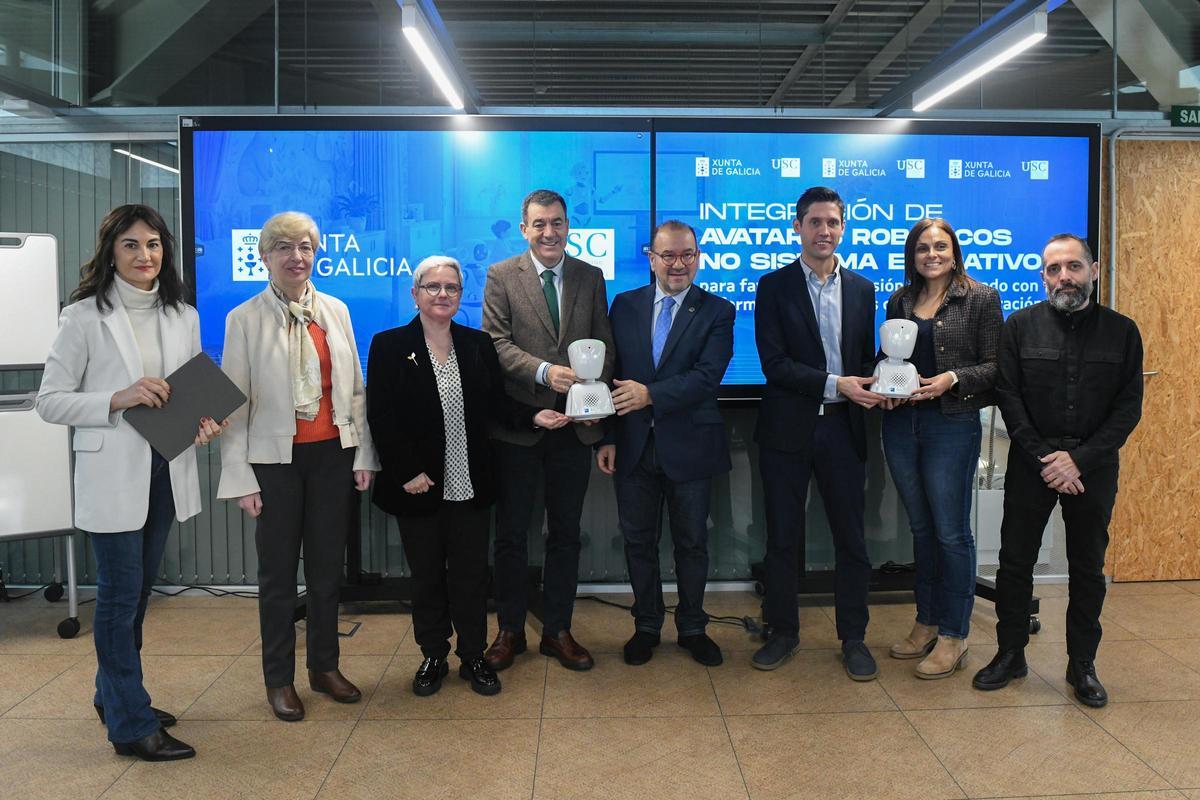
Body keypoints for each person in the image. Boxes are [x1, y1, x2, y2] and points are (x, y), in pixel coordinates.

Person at [36, 204, 224, 761]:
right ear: (110, 254)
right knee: (119, 600)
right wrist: (118, 397)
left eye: (154, 245)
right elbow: (48, 401)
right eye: (132, 246)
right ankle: (130, 722)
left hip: (167, 467)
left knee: (139, 593)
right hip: (113, 472)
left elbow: (192, 390)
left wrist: (206, 421)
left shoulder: (182, 314)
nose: (145, 256)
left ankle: (112, 693)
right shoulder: (83, 316)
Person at [367, 256, 558, 696]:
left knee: (471, 577)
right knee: (427, 576)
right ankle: (433, 654)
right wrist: (407, 471)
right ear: (414, 294)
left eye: (451, 287)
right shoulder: (390, 344)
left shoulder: (477, 344)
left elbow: (495, 406)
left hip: (470, 484)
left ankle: (472, 655)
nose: (442, 295)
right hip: (418, 484)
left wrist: (535, 416)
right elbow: (381, 415)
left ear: (460, 295)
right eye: (432, 287)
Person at [216, 211, 379, 721]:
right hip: (274, 464)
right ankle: (279, 680)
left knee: (328, 572)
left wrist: (364, 454)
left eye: (305, 246)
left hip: (332, 455)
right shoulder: (243, 319)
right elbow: (232, 406)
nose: (296, 256)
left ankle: (324, 668)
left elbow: (354, 391)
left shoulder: (336, 310)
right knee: (278, 578)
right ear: (264, 256)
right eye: (284, 247)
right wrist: (241, 477)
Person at [973, 233, 1143, 707]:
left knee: (1087, 568)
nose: (1063, 276)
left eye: (1073, 266)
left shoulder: (1123, 332)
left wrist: (1078, 459)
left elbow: (1128, 408)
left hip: (1093, 467)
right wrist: (1048, 458)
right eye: (1053, 269)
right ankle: (1010, 654)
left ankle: (1082, 665)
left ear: (1092, 269)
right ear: (1043, 277)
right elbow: (1009, 396)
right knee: (1014, 564)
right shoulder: (1020, 327)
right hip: (1033, 464)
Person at [481, 188, 614, 672]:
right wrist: (543, 371)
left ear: (568, 225)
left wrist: (599, 410)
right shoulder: (501, 277)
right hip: (520, 428)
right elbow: (494, 344)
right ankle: (510, 631)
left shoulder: (590, 276)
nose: (549, 232)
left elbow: (605, 343)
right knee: (512, 537)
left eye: (556, 222)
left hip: (574, 432)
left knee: (565, 535)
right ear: (524, 229)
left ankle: (557, 630)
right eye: (539, 224)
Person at [752, 186, 879, 680]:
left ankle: (854, 638)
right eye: (814, 222)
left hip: (845, 430)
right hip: (788, 429)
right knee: (784, 537)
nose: (824, 231)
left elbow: (866, 357)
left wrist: (878, 381)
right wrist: (835, 383)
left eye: (833, 222)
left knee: (852, 539)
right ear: (797, 227)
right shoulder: (773, 286)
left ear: (842, 228)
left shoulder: (864, 290)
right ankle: (783, 631)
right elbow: (774, 364)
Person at [597, 220, 734, 667]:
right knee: (638, 541)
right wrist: (609, 436)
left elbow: (707, 377)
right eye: (668, 255)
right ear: (651, 257)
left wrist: (650, 394)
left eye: (687, 255)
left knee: (692, 543)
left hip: (691, 445)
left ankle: (693, 627)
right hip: (633, 445)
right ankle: (647, 626)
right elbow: (608, 374)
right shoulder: (624, 305)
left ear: (698, 256)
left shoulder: (718, 310)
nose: (678, 264)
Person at [877, 218, 1003, 678]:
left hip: (952, 424)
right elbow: (891, 359)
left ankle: (955, 632)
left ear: (954, 252)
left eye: (940, 246)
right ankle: (926, 621)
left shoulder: (981, 297)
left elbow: (994, 366)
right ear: (913, 255)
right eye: (923, 247)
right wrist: (882, 382)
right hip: (901, 423)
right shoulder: (900, 299)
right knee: (921, 530)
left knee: (951, 532)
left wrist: (952, 379)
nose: (931, 254)